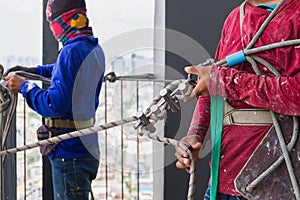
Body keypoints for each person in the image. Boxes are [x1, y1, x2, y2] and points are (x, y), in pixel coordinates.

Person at [175, 0, 300, 199]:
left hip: (276, 184)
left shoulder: (295, 14)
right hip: (222, 180)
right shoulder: (235, 17)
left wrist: (223, 81)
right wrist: (195, 135)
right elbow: (212, 86)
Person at [5, 0, 105, 199]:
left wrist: (24, 87)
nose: (53, 31)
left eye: (52, 24)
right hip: (84, 145)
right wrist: (31, 72)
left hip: (69, 153)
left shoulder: (71, 51)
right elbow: (62, 70)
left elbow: (54, 105)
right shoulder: (91, 47)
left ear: (62, 21)